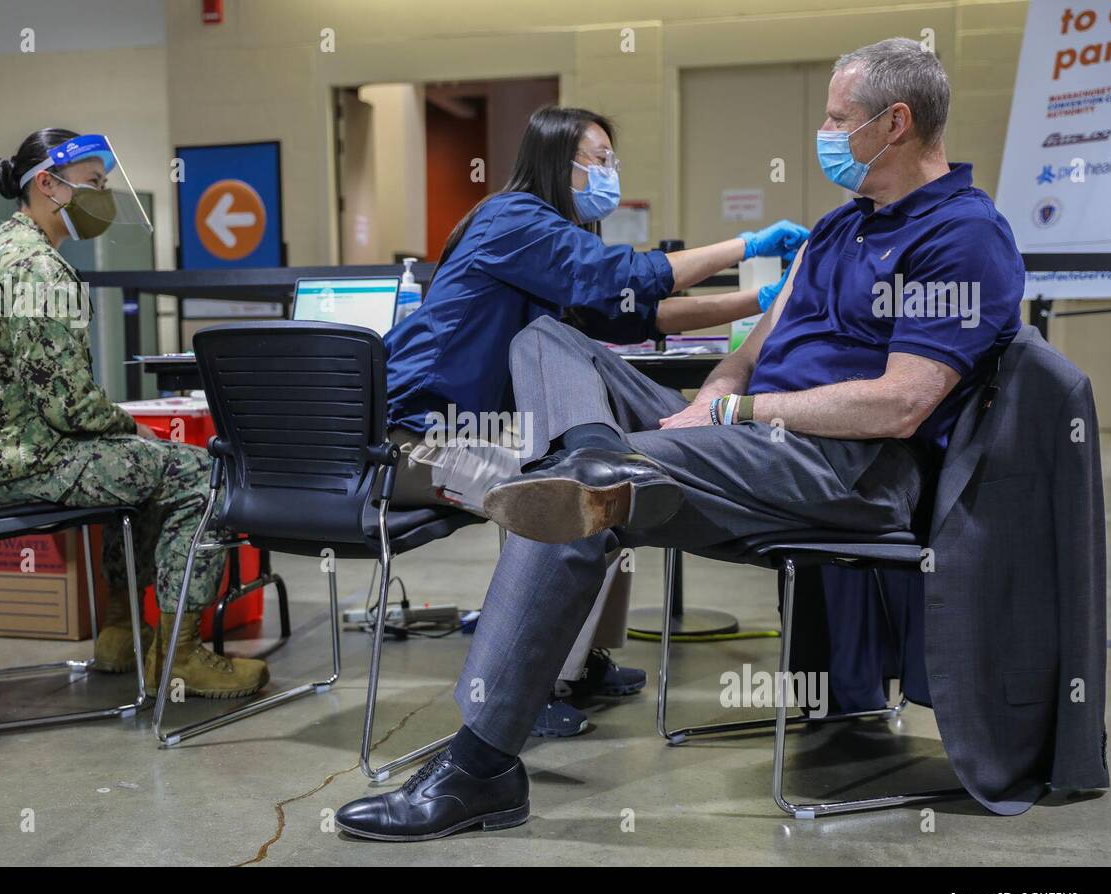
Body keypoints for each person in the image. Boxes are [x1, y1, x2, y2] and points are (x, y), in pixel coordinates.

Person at [334, 38, 1025, 841]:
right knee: (549, 343)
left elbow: (903, 404)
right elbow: (753, 345)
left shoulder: (963, 236)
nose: (827, 132)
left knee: (574, 496)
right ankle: (594, 455)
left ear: (895, 122)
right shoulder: (843, 228)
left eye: (839, 118)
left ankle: (481, 767)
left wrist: (738, 413)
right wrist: (725, 389)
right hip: (764, 436)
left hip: (846, 468)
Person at [384, 105, 808, 736]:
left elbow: (636, 315)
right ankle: (532, 686)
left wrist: (760, 301)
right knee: (568, 500)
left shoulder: (547, 237)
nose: (611, 171)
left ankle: (579, 667)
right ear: (562, 161)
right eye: (600, 158)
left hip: (450, 432)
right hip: (414, 438)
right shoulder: (513, 221)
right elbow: (625, 275)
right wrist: (744, 245)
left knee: (607, 490)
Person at [0, 127, 267, 699]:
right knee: (206, 475)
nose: (102, 196)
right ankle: (181, 655)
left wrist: (127, 436)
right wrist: (132, 426)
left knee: (139, 465)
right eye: (92, 183)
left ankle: (121, 632)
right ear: (47, 184)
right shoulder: (36, 269)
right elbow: (72, 409)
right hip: (19, 460)